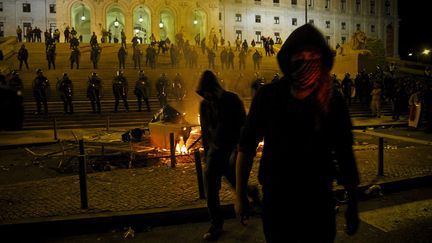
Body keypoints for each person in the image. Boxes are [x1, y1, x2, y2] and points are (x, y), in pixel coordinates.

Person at [235, 24, 360, 243]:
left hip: (318, 201)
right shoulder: (269, 96)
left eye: (313, 56)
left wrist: (353, 204)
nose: (307, 62)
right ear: (288, 59)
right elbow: (246, 147)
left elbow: (344, 153)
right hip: (278, 201)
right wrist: (239, 195)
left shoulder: (332, 100)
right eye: (300, 56)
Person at [196, 70, 259, 241]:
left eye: (208, 91)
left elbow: (243, 127)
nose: (207, 95)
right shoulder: (204, 105)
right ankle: (216, 224)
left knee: (237, 183)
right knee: (211, 189)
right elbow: (205, 131)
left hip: (231, 152)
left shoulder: (232, 100)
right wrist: (206, 153)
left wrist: (238, 151)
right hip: (214, 154)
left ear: (214, 88)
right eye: (204, 92)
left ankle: (252, 193)